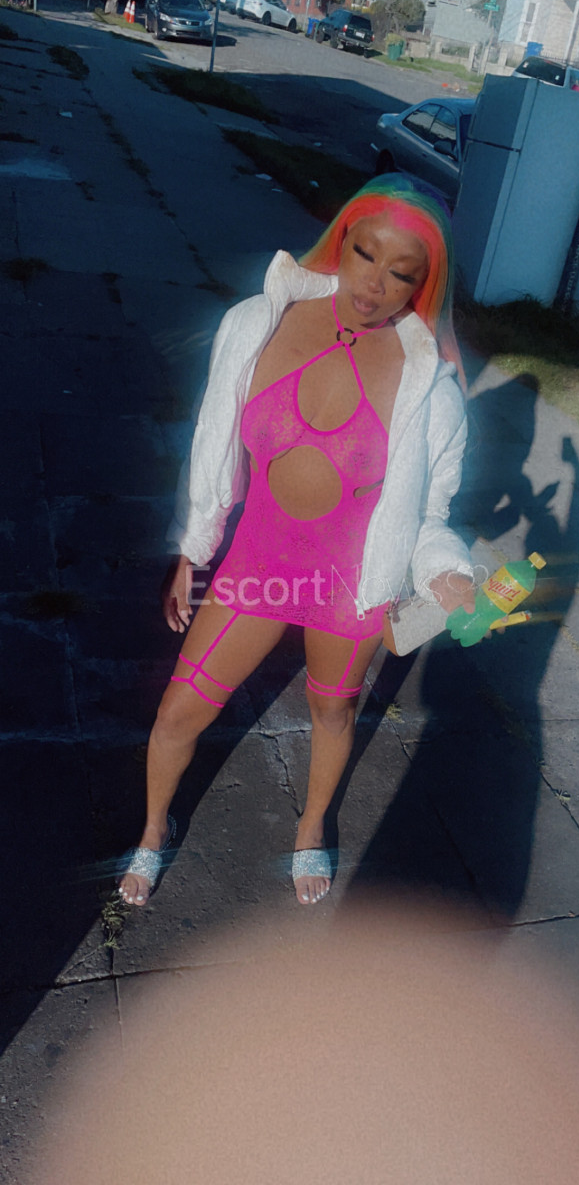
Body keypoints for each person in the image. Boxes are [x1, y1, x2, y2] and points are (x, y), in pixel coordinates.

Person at [117, 173, 475, 909]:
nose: (373, 284)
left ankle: (311, 824)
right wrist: (194, 548)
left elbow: (430, 513)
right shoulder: (257, 323)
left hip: (351, 588)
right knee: (177, 714)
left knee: (333, 713)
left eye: (401, 273)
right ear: (340, 239)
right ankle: (153, 830)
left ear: (424, 285)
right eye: (364, 253)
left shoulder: (432, 390)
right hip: (257, 567)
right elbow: (213, 444)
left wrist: (446, 572)